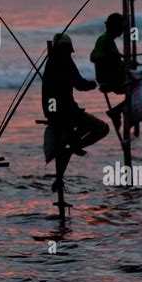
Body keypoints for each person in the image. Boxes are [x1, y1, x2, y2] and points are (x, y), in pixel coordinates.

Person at [41, 33, 109, 189]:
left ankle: (61, 173)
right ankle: (73, 147)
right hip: (67, 112)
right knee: (103, 128)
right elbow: (79, 84)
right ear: (66, 48)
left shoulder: (51, 61)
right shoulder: (65, 60)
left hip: (52, 112)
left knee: (74, 134)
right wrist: (92, 84)